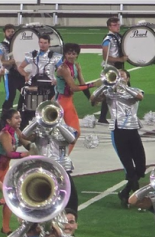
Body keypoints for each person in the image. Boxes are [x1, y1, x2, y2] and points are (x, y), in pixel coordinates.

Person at [91, 69, 145, 208]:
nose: (119, 77)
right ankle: (137, 199)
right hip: (118, 131)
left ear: (127, 78)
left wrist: (123, 87)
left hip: (133, 130)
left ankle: (125, 193)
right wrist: (104, 84)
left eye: (122, 75)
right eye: (117, 75)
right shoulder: (109, 93)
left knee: (140, 166)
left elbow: (139, 97)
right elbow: (93, 99)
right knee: (129, 168)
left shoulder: (134, 90)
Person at [20, 105, 78, 212]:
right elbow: (24, 135)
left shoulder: (66, 129)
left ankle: (69, 216)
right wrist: (37, 121)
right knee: (46, 196)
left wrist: (58, 124)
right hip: (44, 168)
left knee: (69, 196)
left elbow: (72, 140)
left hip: (62, 167)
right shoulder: (38, 130)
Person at [0, 109, 28, 233]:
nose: (20, 120)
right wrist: (26, 154)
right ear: (8, 120)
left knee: (10, 196)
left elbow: (28, 144)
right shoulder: (4, 134)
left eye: (20, 117)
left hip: (4, 169)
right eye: (16, 118)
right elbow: (10, 153)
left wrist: (38, 141)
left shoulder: (16, 132)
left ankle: (5, 227)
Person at [55, 43, 95, 154]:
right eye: (68, 53)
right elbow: (74, 87)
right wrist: (93, 84)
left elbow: (82, 83)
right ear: (65, 54)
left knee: (75, 133)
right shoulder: (63, 68)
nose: (71, 56)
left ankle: (64, 157)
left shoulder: (76, 66)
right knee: (70, 134)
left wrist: (90, 98)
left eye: (73, 53)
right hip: (61, 102)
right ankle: (62, 158)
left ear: (77, 55)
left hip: (68, 101)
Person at [17, 35, 62, 128]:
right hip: (34, 84)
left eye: (45, 43)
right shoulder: (32, 55)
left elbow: (62, 71)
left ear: (49, 44)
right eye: (41, 42)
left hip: (49, 85)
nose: (42, 45)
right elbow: (20, 67)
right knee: (24, 107)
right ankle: (22, 130)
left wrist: (56, 80)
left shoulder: (55, 56)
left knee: (49, 109)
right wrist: (26, 75)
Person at [100, 17, 126, 125]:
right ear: (109, 27)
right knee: (111, 92)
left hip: (120, 66)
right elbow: (106, 57)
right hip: (112, 68)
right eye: (115, 25)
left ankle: (104, 117)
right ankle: (103, 117)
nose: (117, 27)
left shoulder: (119, 37)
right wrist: (120, 59)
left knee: (120, 90)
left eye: (118, 25)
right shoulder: (107, 40)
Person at [0, 24, 23, 116]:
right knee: (10, 95)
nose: (11, 33)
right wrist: (9, 62)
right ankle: (5, 115)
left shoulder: (18, 44)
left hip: (20, 72)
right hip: (9, 73)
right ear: (4, 33)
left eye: (12, 31)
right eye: (8, 31)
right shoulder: (0, 46)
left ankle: (20, 111)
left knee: (25, 92)